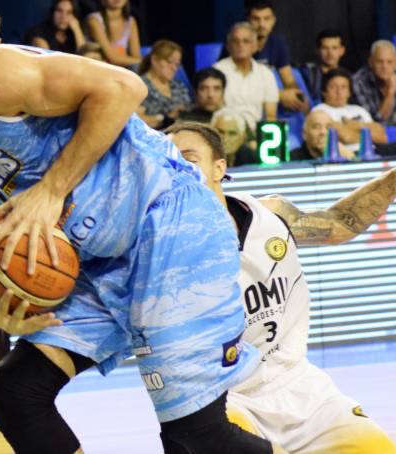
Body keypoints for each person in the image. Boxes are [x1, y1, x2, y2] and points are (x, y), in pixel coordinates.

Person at [0, 10, 288, 454]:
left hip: (167, 224)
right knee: (15, 391)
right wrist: (6, 286)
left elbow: (124, 88)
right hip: (102, 260)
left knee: (194, 433)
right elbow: (28, 221)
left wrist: (52, 189)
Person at [170, 120, 396, 454]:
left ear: (219, 168)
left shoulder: (271, 216)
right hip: (226, 399)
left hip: (299, 385)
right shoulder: (163, 249)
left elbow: (340, 224)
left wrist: (393, 180)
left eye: (188, 159)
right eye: (168, 162)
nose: (177, 169)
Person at [246, 0, 309, 113]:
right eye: (256, 19)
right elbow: (240, 86)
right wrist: (279, 95)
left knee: (302, 100)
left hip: (268, 98)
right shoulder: (239, 44)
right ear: (248, 21)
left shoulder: (278, 42)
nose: (261, 24)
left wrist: (296, 95)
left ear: (273, 20)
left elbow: (288, 79)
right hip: (245, 103)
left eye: (266, 19)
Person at [214, 22, 279, 130]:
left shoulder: (266, 74)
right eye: (235, 41)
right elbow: (214, 109)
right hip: (226, 130)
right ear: (228, 46)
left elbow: (271, 116)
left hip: (255, 132)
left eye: (246, 41)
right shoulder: (217, 70)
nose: (240, 45)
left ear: (255, 46)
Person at [312, 68, 386, 152]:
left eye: (343, 87)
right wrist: (368, 130)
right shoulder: (320, 111)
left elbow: (382, 137)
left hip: (373, 152)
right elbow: (346, 137)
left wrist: (354, 124)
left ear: (349, 92)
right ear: (324, 92)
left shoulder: (359, 110)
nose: (339, 92)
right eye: (333, 87)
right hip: (346, 155)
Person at [136, 39, 192, 130]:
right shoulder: (140, 86)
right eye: (169, 62)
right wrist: (165, 118)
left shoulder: (178, 86)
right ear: (154, 60)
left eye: (177, 64)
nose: (174, 68)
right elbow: (134, 121)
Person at [86, 0, 141, 68]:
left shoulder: (130, 21)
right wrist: (142, 62)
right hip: (100, 67)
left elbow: (136, 56)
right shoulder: (94, 20)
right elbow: (111, 58)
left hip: (124, 68)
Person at [353, 40, 396, 125]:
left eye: (389, 62)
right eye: (379, 62)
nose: (384, 67)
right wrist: (390, 94)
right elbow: (374, 123)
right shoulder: (359, 82)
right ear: (370, 62)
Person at [300, 29, 347, 104]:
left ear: (342, 51)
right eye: (325, 48)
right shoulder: (307, 73)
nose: (330, 53)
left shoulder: (347, 76)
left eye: (334, 48)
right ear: (317, 50)